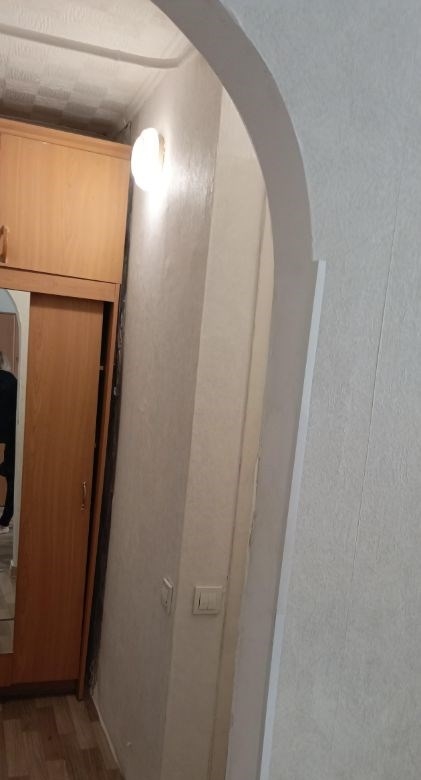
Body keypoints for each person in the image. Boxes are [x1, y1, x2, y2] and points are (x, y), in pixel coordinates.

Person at [0, 351, 17, 532]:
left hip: (9, 435)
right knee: (12, 478)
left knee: (10, 473)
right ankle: (4, 522)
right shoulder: (11, 381)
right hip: (12, 435)